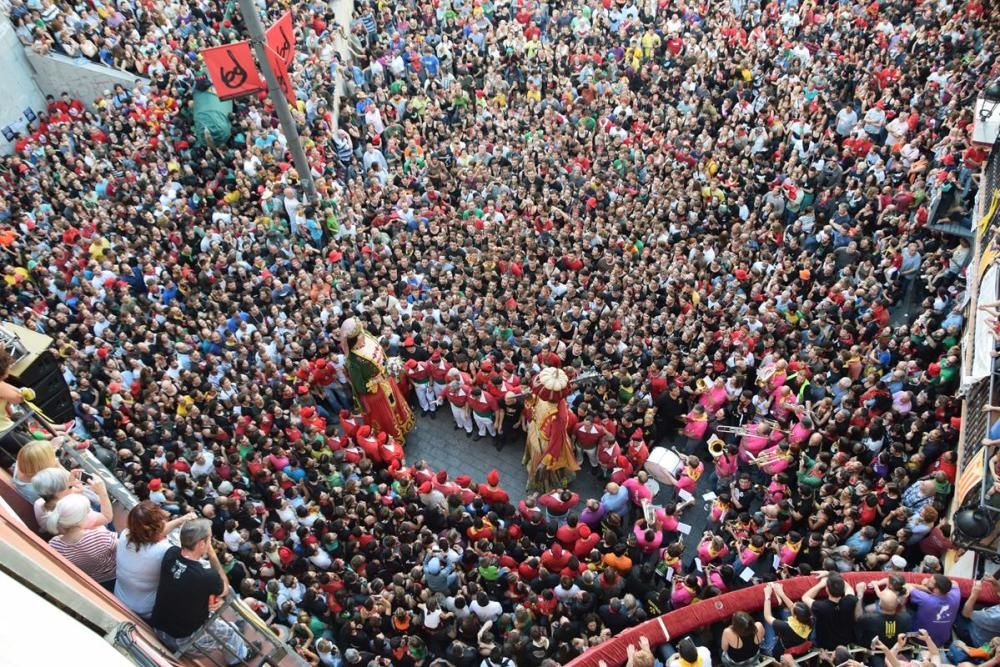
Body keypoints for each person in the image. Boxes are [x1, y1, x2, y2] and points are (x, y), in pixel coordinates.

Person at [151, 519, 250, 664]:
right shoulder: (206, 576)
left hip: (158, 626)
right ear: (201, 543)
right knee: (229, 633)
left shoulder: (170, 554)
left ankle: (235, 632)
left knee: (216, 617)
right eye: (209, 539)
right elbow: (224, 587)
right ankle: (241, 656)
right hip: (181, 641)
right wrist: (212, 554)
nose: (211, 542)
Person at [115, 501, 198, 619]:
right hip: (144, 610)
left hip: (119, 596)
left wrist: (182, 519)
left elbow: (152, 533)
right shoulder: (165, 550)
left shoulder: (125, 535)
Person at [341, 317, 414, 441]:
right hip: (376, 392)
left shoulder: (368, 336)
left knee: (396, 405)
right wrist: (375, 381)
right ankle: (392, 436)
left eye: (362, 332)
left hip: (387, 380)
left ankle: (402, 425)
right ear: (353, 341)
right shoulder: (353, 362)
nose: (363, 335)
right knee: (386, 415)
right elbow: (360, 387)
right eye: (359, 335)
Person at [46, 492, 117, 591]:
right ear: (79, 520)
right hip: (112, 577)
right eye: (87, 512)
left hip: (92, 581)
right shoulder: (100, 536)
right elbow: (123, 545)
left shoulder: (54, 545)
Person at [32, 466, 113, 535]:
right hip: (97, 537)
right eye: (69, 486)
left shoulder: (39, 504)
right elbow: (107, 517)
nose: (72, 486)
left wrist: (70, 483)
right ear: (58, 492)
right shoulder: (75, 511)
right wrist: (103, 492)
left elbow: (74, 491)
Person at [855, 585, 912, 667]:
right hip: (895, 655)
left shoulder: (869, 619)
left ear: (880, 604)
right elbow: (903, 611)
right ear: (897, 604)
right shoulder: (906, 618)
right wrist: (902, 602)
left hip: (874, 655)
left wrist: (860, 595)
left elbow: (857, 617)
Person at [801, 571, 857, 650]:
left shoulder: (820, 607)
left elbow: (805, 597)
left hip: (825, 645)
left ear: (827, 589)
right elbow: (848, 587)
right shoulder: (850, 601)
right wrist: (830, 574)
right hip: (845, 641)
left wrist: (821, 584)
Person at [904, 574, 960, 647]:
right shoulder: (956, 596)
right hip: (943, 639)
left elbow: (906, 585)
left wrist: (924, 586)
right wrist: (929, 586)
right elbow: (955, 582)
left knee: (905, 612)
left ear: (936, 590)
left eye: (930, 581)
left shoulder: (925, 599)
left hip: (918, 638)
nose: (927, 579)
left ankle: (907, 639)